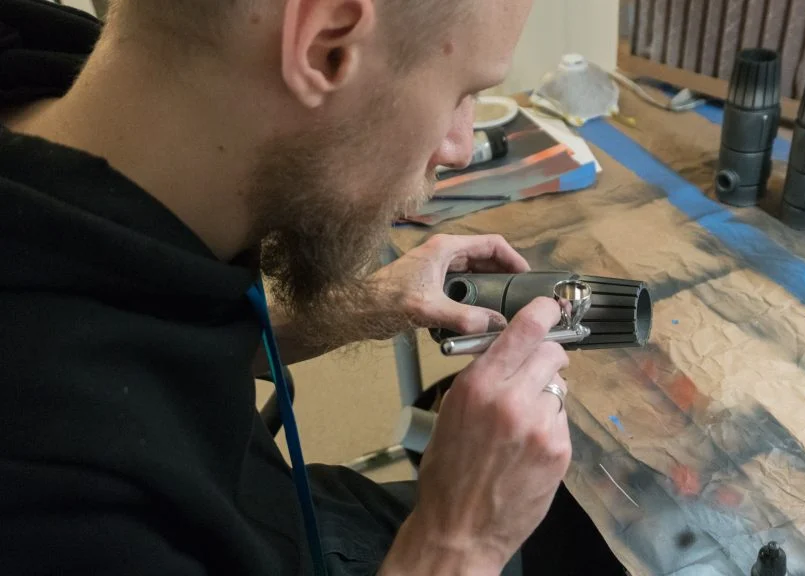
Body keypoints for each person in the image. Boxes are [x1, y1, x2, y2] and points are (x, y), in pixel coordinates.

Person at [0, 0, 581, 573]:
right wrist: (458, 542)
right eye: (462, 92)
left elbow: (146, 346)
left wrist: (366, 303)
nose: (458, 148)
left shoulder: (64, 86)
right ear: (326, 47)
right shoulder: (57, 496)